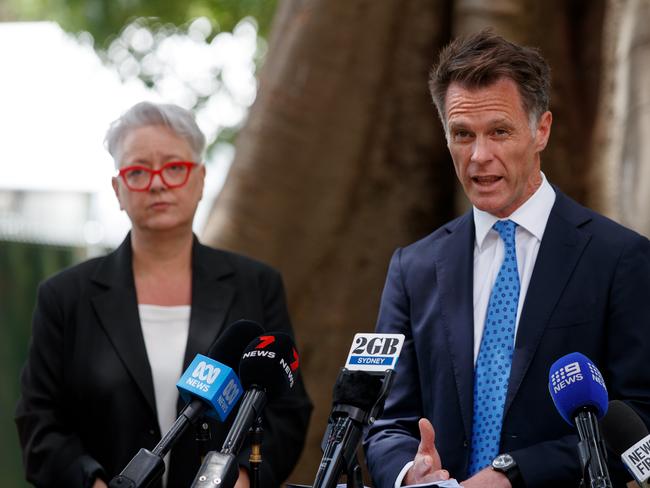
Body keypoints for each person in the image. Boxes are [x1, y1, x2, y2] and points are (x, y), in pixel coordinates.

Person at [364, 30, 650, 488]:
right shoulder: (412, 268)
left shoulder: (620, 258)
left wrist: (511, 475)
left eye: (499, 131)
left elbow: (639, 417)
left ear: (542, 130)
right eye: (462, 134)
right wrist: (407, 473)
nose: (479, 156)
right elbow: (384, 422)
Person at [15, 101, 312, 488]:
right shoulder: (64, 297)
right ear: (118, 189)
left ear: (200, 179)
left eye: (174, 167)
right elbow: (40, 422)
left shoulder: (256, 285)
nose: (157, 183)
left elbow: (286, 410)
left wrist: (238, 478)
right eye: (138, 171)